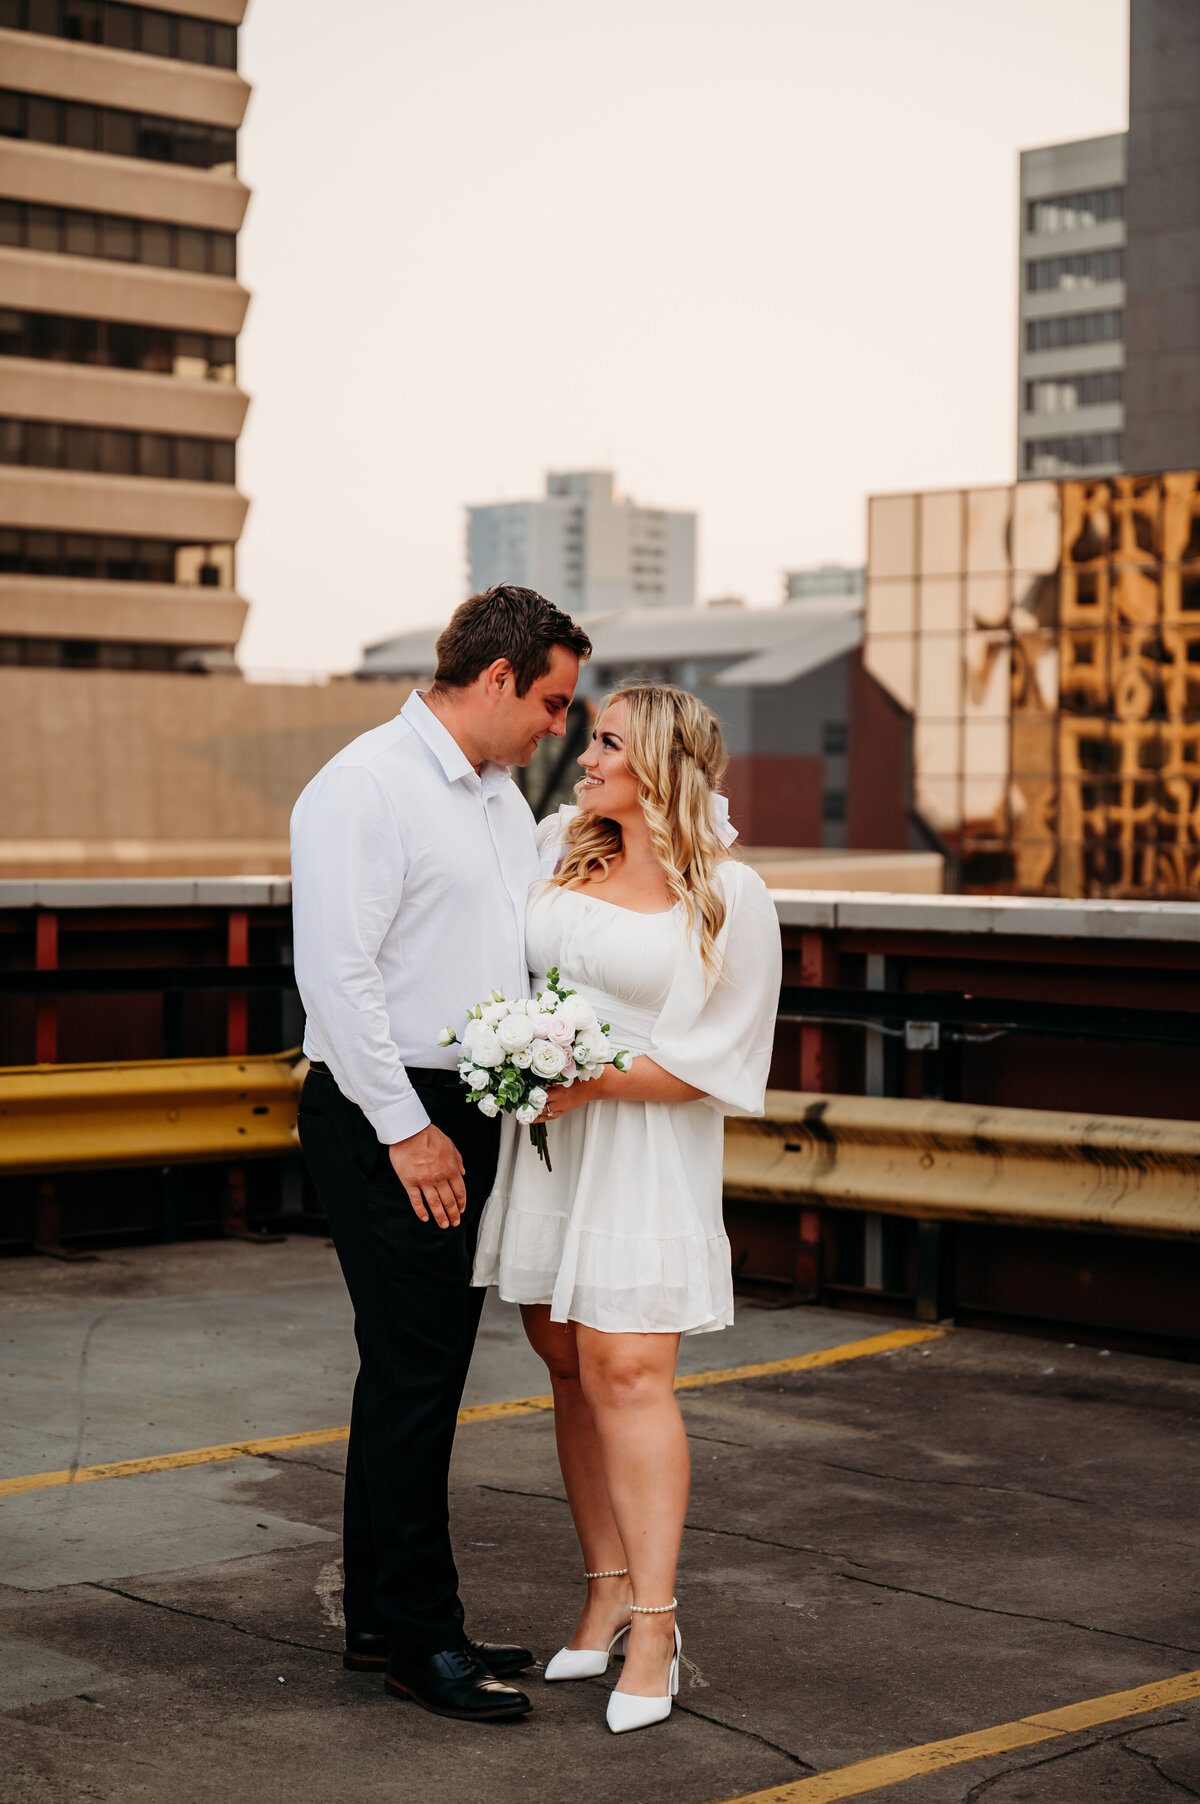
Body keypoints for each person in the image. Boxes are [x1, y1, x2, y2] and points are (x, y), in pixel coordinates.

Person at [291, 585, 592, 1724]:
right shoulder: (365, 786)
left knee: (407, 1375)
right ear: (501, 676)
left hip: (466, 1105)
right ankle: (426, 1638)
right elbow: (340, 975)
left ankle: (382, 1615)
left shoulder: (502, 800)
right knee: (419, 1380)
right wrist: (408, 1129)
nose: (558, 725)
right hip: (389, 1110)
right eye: (553, 701)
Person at [473, 684, 782, 1733]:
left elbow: (727, 1059)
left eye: (606, 742)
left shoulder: (731, 895)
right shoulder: (560, 841)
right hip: (554, 1145)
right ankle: (602, 1588)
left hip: (645, 1148)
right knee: (566, 1358)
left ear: (657, 764)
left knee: (630, 1370)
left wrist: (594, 1077)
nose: (584, 756)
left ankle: (657, 1623)